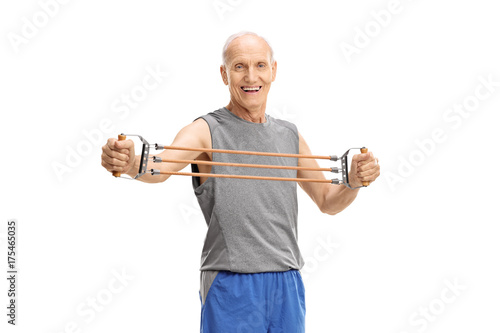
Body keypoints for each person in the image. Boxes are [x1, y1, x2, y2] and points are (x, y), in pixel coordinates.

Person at [101, 31, 380, 332]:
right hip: (230, 284)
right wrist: (131, 162)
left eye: (260, 65)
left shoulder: (289, 135)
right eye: (239, 66)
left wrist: (353, 181)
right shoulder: (206, 130)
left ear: (274, 70)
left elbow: (328, 201)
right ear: (224, 74)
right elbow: (162, 165)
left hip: (286, 281)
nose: (251, 76)